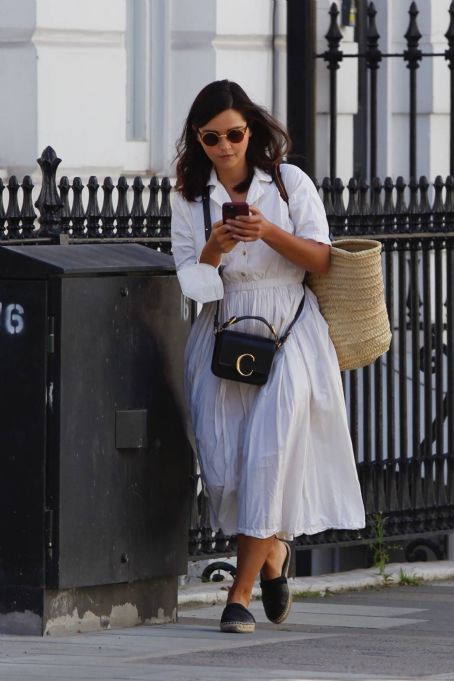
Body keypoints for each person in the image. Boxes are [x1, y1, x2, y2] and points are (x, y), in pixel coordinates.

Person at [171, 80, 365, 634]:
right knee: (225, 466)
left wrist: (268, 232)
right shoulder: (187, 196)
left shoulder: (287, 182)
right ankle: (274, 556)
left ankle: (239, 595)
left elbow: (323, 260)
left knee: (267, 456)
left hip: (290, 332)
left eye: (234, 133)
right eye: (213, 138)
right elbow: (191, 281)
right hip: (224, 330)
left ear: (250, 131)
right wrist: (215, 247)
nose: (226, 147)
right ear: (198, 140)